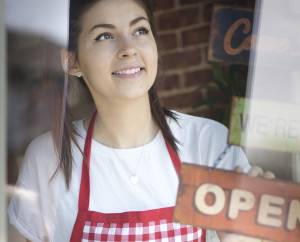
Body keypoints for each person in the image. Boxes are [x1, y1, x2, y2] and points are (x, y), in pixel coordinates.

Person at [7, 0, 274, 241]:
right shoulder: (49, 157)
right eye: (105, 35)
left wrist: (241, 234)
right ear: (72, 62)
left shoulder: (207, 141)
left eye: (140, 31)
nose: (128, 48)